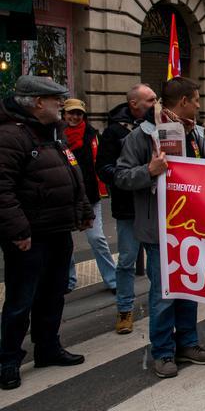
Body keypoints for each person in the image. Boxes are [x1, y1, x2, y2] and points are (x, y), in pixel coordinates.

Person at [115, 77, 205, 379]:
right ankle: (162, 351)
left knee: (188, 287)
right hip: (159, 229)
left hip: (189, 225)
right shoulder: (142, 136)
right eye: (196, 100)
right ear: (183, 101)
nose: (199, 106)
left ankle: (188, 343)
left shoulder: (196, 134)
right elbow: (120, 176)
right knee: (163, 292)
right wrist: (149, 171)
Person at [0, 76, 94, 390]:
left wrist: (83, 210)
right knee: (20, 299)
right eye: (56, 100)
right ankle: (9, 358)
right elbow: (3, 190)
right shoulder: (11, 136)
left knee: (53, 294)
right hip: (29, 236)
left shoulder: (54, 134)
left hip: (57, 231)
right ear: (38, 102)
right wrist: (18, 230)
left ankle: (48, 347)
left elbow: (72, 173)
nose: (62, 105)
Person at [96, 83, 157, 335]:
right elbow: (106, 169)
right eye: (151, 100)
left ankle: (158, 306)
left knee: (156, 263)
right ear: (135, 104)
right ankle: (124, 310)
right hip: (129, 207)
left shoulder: (161, 128)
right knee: (127, 261)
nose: (156, 104)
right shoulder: (114, 132)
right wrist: (137, 177)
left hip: (154, 207)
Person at [62, 98, 117, 293]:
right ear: (64, 114)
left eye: (78, 113)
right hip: (65, 197)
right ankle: (68, 281)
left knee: (96, 239)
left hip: (89, 196)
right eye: (71, 113)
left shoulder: (93, 136)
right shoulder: (57, 136)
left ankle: (113, 280)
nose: (74, 117)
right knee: (65, 243)